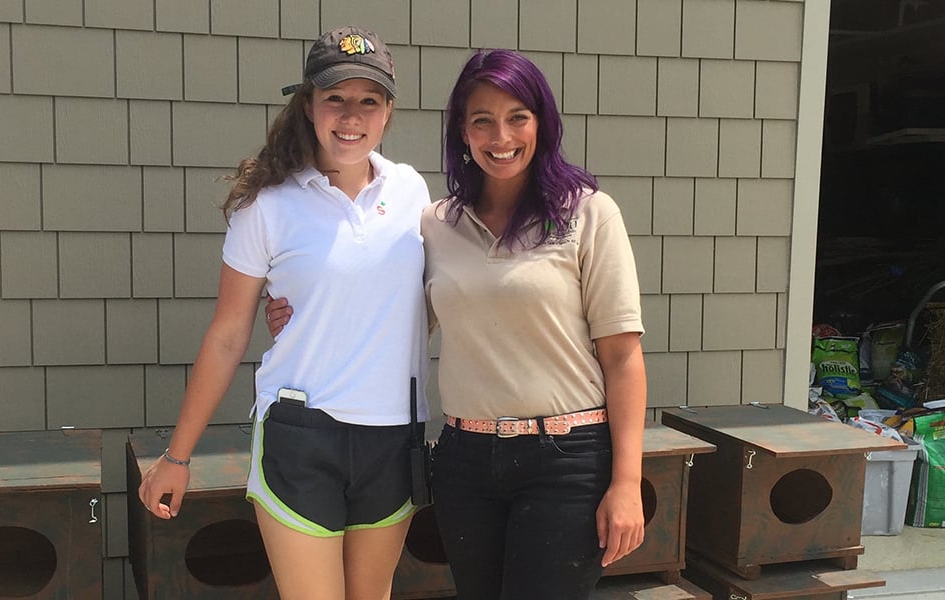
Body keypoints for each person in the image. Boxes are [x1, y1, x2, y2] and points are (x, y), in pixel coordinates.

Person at [266, 49, 647, 599]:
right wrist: (299, 311)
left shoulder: (588, 214)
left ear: (542, 122)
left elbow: (622, 357)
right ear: (462, 133)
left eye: (518, 117)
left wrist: (627, 482)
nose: (501, 136)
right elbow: (391, 316)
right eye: (482, 121)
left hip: (566, 461)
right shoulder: (437, 224)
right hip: (465, 462)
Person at [138, 25, 431, 600]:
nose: (351, 116)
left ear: (388, 111)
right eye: (335, 98)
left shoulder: (412, 192)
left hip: (395, 436)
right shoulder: (267, 205)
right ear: (308, 105)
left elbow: (426, 303)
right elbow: (228, 334)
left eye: (369, 101)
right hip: (302, 434)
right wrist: (177, 456)